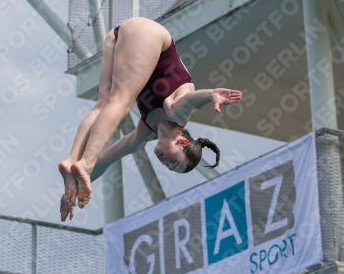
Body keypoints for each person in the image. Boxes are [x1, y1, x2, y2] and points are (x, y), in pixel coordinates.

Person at [58, 17, 242, 221]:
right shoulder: (177, 114)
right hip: (148, 34)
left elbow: (103, 162)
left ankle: (71, 160)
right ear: (181, 141)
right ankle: (83, 163)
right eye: (173, 160)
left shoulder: (145, 134)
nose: (165, 162)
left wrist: (71, 192)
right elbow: (191, 99)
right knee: (120, 102)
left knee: (103, 104)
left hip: (118, 38)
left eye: (168, 166)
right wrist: (211, 95)